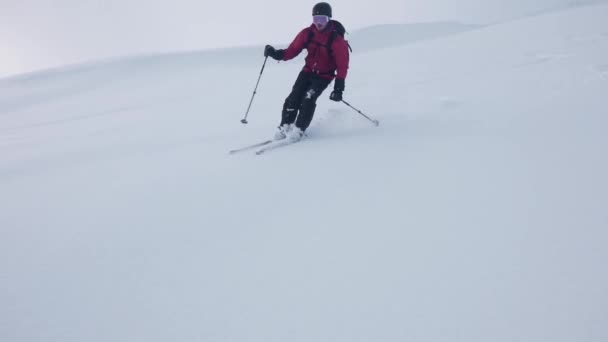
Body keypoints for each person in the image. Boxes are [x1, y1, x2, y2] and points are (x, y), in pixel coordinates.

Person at [264, 2, 350, 142]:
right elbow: (291, 51)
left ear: (329, 19)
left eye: (322, 19)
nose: (319, 23)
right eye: (316, 19)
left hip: (324, 76)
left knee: (308, 99)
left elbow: (342, 66)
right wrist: (275, 54)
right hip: (308, 71)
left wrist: (338, 88)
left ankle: (298, 130)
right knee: (293, 97)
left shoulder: (336, 41)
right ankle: (286, 126)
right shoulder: (307, 33)